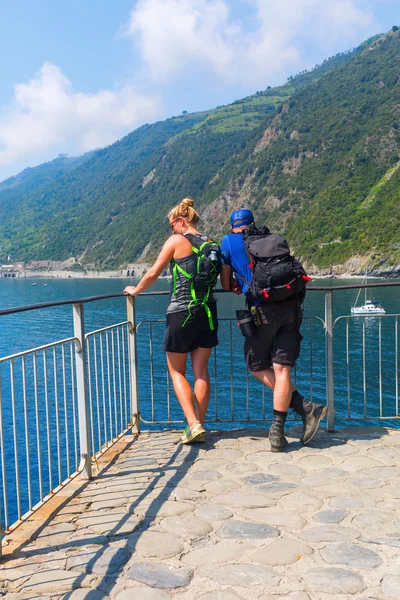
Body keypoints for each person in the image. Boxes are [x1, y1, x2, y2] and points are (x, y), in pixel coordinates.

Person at [220, 208, 327, 452]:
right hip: (292, 308)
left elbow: (226, 283)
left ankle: (303, 407)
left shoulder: (228, 241)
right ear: (253, 223)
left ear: (232, 227)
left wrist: (236, 283)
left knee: (256, 366)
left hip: (263, 311)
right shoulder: (271, 238)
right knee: (282, 369)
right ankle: (278, 432)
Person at [123, 198, 219, 444]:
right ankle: (199, 425)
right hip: (207, 312)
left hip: (181, 313)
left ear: (181, 220)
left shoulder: (177, 241)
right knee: (201, 372)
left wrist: (136, 290)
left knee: (176, 370)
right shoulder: (211, 243)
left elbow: (154, 271)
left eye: (171, 224)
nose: (171, 229)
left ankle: (193, 424)